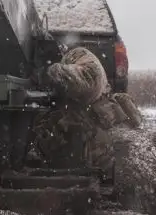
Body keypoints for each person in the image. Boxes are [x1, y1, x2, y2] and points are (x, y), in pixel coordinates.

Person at [31, 46, 143, 176]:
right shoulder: (59, 113)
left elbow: (90, 79)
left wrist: (54, 72)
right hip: (83, 170)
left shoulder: (77, 55)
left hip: (106, 166)